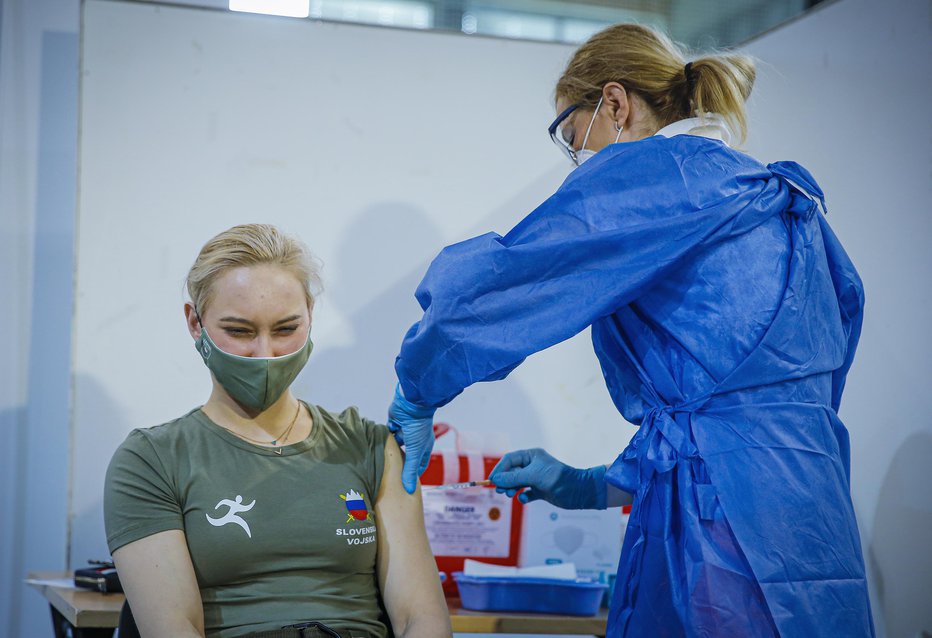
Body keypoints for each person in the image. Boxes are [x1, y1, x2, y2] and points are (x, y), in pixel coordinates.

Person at [386, 23, 874, 638]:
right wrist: (590, 486)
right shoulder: (772, 198)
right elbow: (744, 411)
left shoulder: (652, 178)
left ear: (615, 104)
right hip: (814, 508)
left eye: (574, 139)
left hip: (726, 530)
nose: (580, 163)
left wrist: (417, 388)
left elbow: (499, 287)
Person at [105, 224, 451, 638]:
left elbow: (422, 619)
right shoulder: (153, 460)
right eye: (239, 331)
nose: (265, 354)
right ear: (195, 324)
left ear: (310, 318)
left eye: (286, 329)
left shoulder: (370, 447)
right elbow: (173, 629)